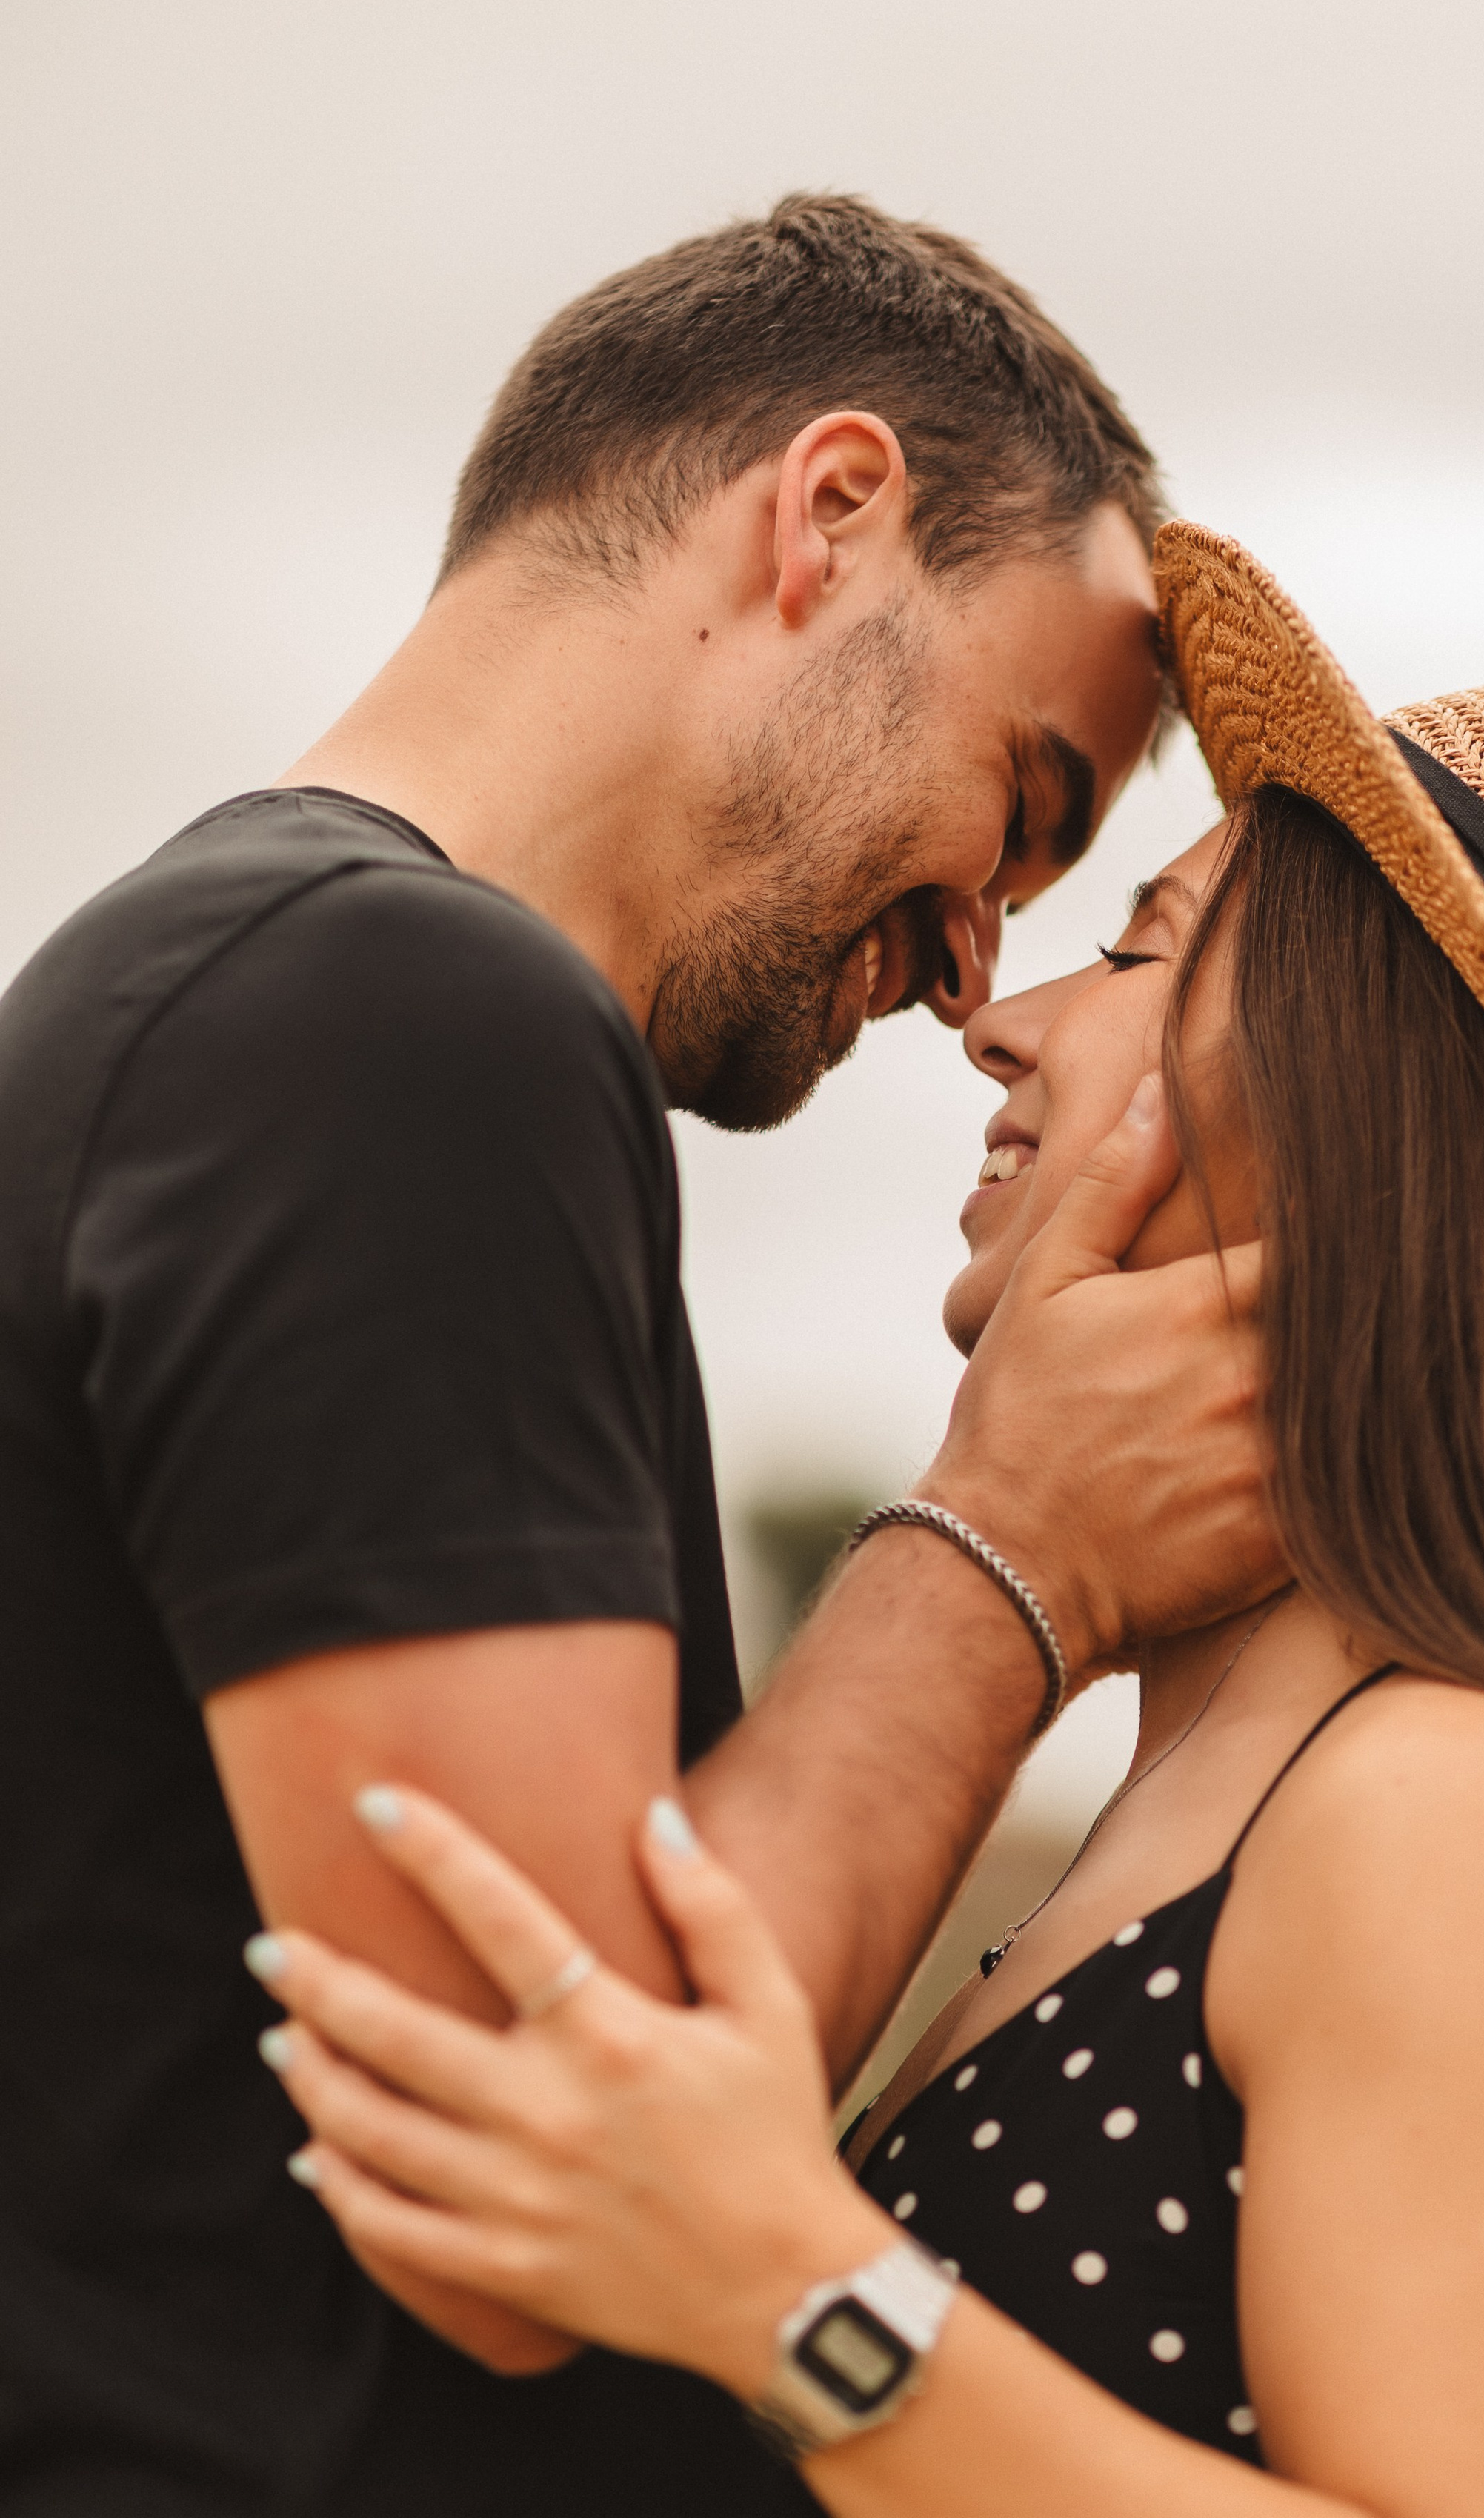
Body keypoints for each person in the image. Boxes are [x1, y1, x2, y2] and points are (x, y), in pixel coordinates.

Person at [251, 528, 1484, 2518]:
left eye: (1138, 950)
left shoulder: (1445, 1799)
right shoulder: (1229, 1786)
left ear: (1356, 1107)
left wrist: (789, 2291)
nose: (1000, 1022)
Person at [0, 206, 1278, 2517]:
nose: (974, 970)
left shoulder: (236, 997)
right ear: (831, 515)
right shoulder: (395, 1020)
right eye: (1022, 806)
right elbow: (541, 2161)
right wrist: (1013, 1548)